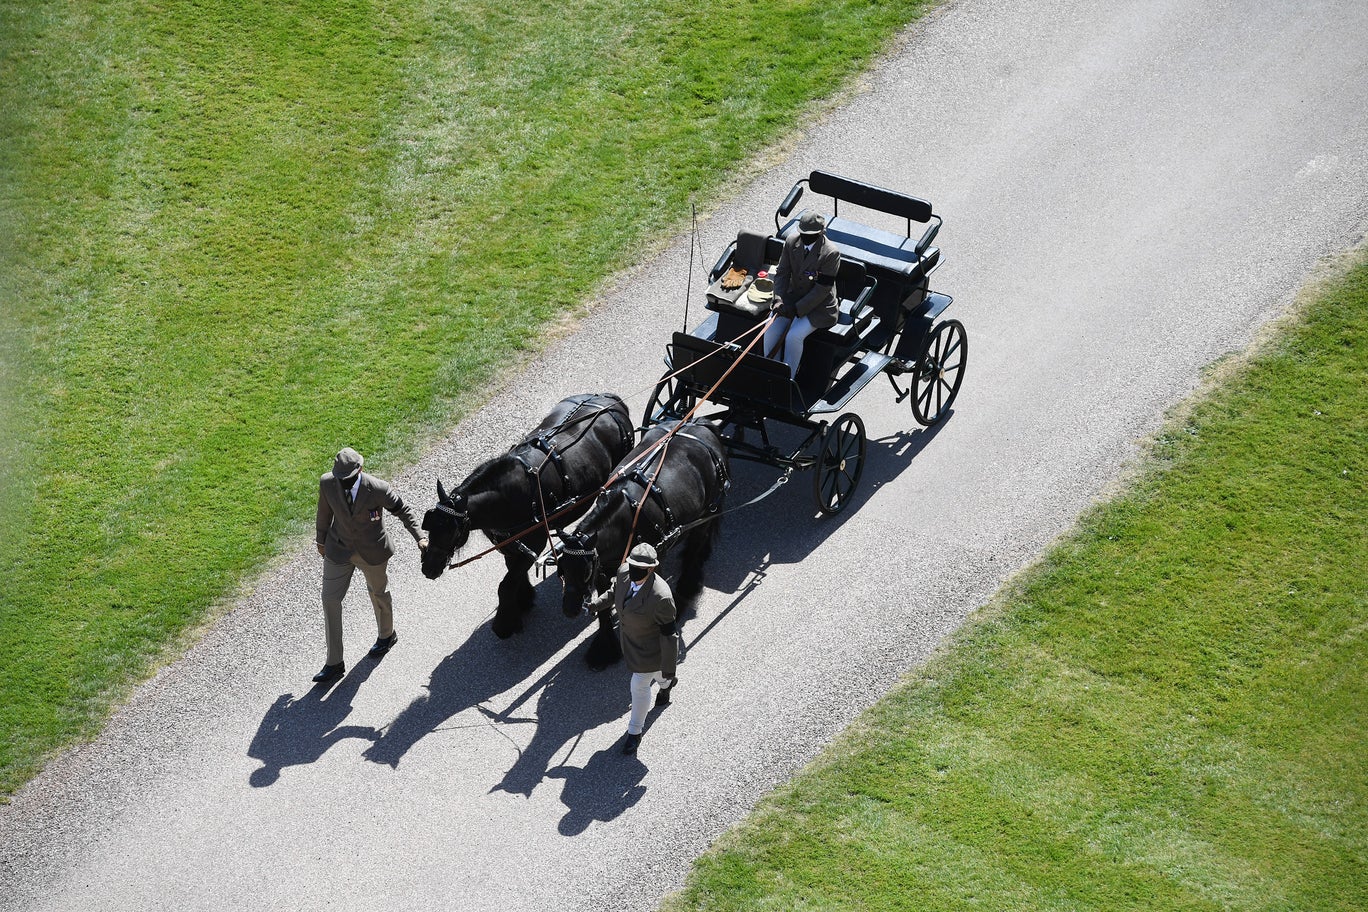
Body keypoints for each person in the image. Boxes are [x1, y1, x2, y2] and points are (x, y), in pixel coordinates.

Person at [313, 447, 427, 684]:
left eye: (348, 479)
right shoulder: (327, 483)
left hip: (372, 552)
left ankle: (387, 635)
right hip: (339, 550)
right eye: (340, 479)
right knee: (329, 600)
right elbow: (324, 514)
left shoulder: (377, 489)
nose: (343, 483)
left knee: (378, 593)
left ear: (360, 470)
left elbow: (403, 510)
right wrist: (320, 540)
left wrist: (420, 537)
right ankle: (334, 663)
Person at [590, 543, 678, 755]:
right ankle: (667, 684)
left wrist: (669, 666)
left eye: (640, 567)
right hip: (629, 644)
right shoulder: (623, 573)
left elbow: (669, 636)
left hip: (651, 650)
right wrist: (595, 605)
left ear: (651, 569)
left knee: (639, 686)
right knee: (659, 676)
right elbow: (613, 592)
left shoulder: (662, 597)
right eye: (632, 564)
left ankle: (634, 732)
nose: (634, 570)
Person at [763, 210, 842, 378]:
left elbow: (822, 289)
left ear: (821, 233)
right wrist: (778, 299)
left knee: (793, 336)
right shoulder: (791, 242)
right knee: (769, 330)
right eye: (802, 233)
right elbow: (782, 273)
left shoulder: (831, 253)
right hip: (791, 301)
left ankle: (787, 378)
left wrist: (797, 309)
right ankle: (771, 373)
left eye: (810, 235)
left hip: (819, 308)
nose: (805, 238)